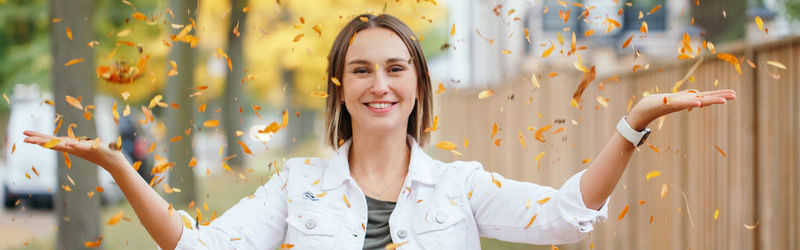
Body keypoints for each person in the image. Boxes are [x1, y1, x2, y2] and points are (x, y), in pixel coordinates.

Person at [23, 14, 736, 249]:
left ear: (418, 84)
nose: (380, 83)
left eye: (396, 68)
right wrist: (119, 167)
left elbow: (565, 219)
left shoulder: (460, 186)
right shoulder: (297, 187)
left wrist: (632, 124)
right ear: (342, 88)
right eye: (361, 70)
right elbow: (196, 248)